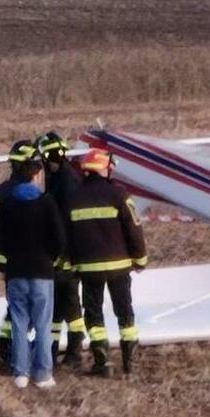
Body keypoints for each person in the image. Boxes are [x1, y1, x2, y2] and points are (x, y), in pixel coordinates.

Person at [67, 149, 147, 378]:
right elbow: (134, 229)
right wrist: (140, 259)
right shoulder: (119, 194)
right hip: (119, 266)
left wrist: (72, 264)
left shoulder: (74, 198)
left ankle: (103, 363)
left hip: (88, 269)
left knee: (93, 315)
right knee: (125, 314)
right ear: (105, 168)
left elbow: (68, 236)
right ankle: (129, 364)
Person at [0, 162, 66, 390]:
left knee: (18, 323)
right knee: (43, 324)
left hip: (16, 272)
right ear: (36, 176)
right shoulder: (46, 202)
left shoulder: (7, 204)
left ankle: (20, 373)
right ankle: (43, 374)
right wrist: (51, 258)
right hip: (42, 272)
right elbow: (59, 239)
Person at [0, 140, 42, 373]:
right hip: (27, 259)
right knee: (25, 306)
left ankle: (9, 348)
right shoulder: (28, 194)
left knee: (18, 305)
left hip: (7, 259)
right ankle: (11, 351)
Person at [36, 131, 86, 368]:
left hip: (67, 257)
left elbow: (66, 221)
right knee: (57, 306)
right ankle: (53, 349)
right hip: (59, 255)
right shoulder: (58, 178)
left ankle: (75, 350)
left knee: (70, 303)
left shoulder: (66, 182)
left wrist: (63, 254)